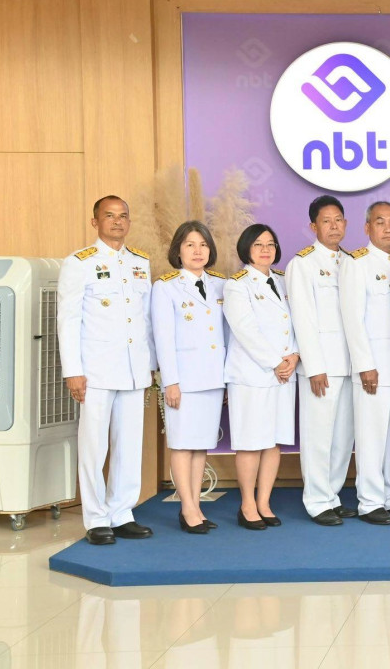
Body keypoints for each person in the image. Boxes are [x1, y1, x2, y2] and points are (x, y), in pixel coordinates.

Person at [57, 195, 156, 545]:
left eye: (123, 215)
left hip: (133, 369)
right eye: (109, 215)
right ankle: (97, 518)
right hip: (96, 370)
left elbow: (145, 320)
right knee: (94, 446)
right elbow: (68, 319)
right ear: (95, 221)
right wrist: (73, 370)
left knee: (129, 445)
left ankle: (122, 513)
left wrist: (151, 366)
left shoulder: (140, 262)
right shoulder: (79, 263)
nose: (117, 221)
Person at [151, 221, 228, 534]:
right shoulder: (166, 286)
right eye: (190, 245)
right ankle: (187, 508)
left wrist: (227, 377)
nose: (198, 251)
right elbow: (163, 338)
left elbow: (226, 333)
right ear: (178, 251)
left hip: (213, 377)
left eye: (203, 245)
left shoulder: (221, 284)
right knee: (183, 444)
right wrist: (170, 381)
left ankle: (196, 505)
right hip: (182, 380)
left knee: (201, 445)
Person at [340, 201, 390, 524]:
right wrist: (364, 364)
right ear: (367, 227)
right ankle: (370, 501)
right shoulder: (356, 263)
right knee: (371, 436)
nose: (388, 228)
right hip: (375, 366)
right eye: (380, 222)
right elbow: (352, 319)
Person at [284, 195, 356, 526]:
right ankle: (316, 500)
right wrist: (314, 367)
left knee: (343, 437)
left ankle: (332, 495)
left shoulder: (353, 261)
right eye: (326, 221)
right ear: (313, 226)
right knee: (318, 436)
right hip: (322, 366)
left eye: (338, 220)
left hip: (351, 364)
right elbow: (303, 319)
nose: (334, 226)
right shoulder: (303, 264)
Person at [222, 224, 298, 531]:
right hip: (252, 375)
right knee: (251, 442)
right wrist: (275, 362)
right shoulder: (237, 285)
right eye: (258, 244)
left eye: (270, 244)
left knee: (273, 441)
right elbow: (245, 330)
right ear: (246, 249)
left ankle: (264, 502)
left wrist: (294, 355)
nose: (266, 250)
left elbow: (296, 322)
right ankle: (247, 504)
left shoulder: (282, 280)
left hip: (284, 373)